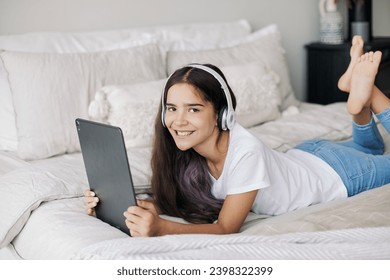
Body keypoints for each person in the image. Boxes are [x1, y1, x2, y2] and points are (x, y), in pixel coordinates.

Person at [85, 35, 390, 237]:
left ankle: (371, 95)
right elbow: (182, 198)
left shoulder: (246, 153)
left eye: (193, 110)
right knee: (372, 148)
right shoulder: (185, 151)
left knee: (372, 154)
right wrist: (125, 204)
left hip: (339, 174)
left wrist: (162, 228)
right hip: (310, 154)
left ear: (222, 114)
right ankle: (357, 100)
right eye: (171, 108)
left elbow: (226, 227)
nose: (178, 121)